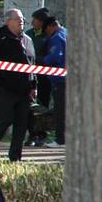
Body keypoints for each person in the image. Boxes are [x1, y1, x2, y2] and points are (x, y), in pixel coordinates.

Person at [0, 8, 37, 161]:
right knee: (4, 121)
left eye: (22, 19)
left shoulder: (28, 40)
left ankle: (15, 157)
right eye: (17, 19)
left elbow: (32, 66)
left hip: (25, 91)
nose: (21, 21)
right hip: (5, 90)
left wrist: (34, 86)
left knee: (21, 125)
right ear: (8, 21)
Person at [28, 7, 53, 145]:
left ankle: (42, 135)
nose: (33, 22)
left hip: (45, 78)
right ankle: (31, 134)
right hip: (30, 76)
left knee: (43, 106)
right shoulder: (29, 34)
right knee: (30, 107)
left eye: (36, 20)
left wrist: (39, 60)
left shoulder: (49, 37)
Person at [41, 14, 66, 147]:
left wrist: (43, 60)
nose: (47, 34)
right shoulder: (67, 33)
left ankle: (60, 139)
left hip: (60, 80)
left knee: (60, 110)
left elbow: (56, 56)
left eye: (47, 30)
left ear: (52, 26)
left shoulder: (57, 38)